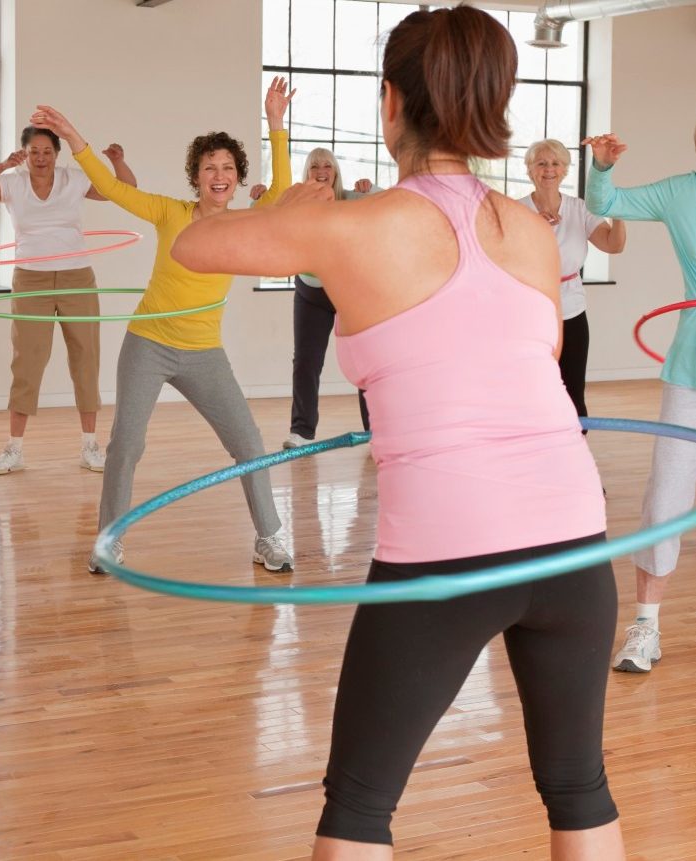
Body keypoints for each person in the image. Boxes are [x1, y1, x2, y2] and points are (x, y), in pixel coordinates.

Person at [171, 8, 624, 858]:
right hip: (573, 540)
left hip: (444, 551)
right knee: (577, 785)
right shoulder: (529, 230)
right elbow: (538, 361)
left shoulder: (349, 224)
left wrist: (296, 198)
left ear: (388, 102)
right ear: (495, 101)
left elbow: (196, 243)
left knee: (360, 805)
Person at [31, 76, 297, 575]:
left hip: (204, 353)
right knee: (127, 443)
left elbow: (281, 193)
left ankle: (269, 537)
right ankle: (110, 541)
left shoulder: (242, 222)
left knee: (248, 443)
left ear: (238, 177)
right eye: (208, 168)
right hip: (149, 343)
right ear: (194, 178)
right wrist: (71, 133)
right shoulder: (170, 212)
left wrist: (276, 123)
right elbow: (109, 186)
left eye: (227, 168)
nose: (218, 175)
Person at [0, 126, 137, 475]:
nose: (41, 158)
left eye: (47, 151)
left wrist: (117, 162)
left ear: (57, 154)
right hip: (30, 278)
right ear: (24, 154)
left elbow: (125, 191)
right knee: (27, 362)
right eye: (33, 151)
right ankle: (14, 448)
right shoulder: (12, 183)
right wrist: (2, 165)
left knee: (86, 358)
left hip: (77, 276)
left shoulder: (75, 179)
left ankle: (90, 445)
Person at [584, 128, 696, 674]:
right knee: (665, 501)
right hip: (691, 371)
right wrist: (601, 167)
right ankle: (645, 628)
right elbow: (607, 205)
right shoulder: (680, 192)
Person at [261, 148, 376, 449]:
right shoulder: (297, 201)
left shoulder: (351, 199)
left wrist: (371, 188)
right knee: (306, 361)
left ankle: (376, 430)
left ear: (335, 171)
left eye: (327, 165)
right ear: (307, 172)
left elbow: (394, 202)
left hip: (350, 291)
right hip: (310, 293)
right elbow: (261, 213)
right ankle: (301, 432)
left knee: (364, 359)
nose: (321, 170)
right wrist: (260, 196)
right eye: (315, 166)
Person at [517, 139, 626, 423]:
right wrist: (534, 228)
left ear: (565, 170)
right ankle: (534, 445)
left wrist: (620, 212)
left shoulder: (580, 209)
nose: (548, 169)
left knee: (572, 388)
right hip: (530, 311)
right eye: (541, 163)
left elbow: (613, 245)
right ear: (529, 169)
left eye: (555, 163)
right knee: (532, 387)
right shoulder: (515, 211)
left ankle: (574, 445)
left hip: (572, 310)